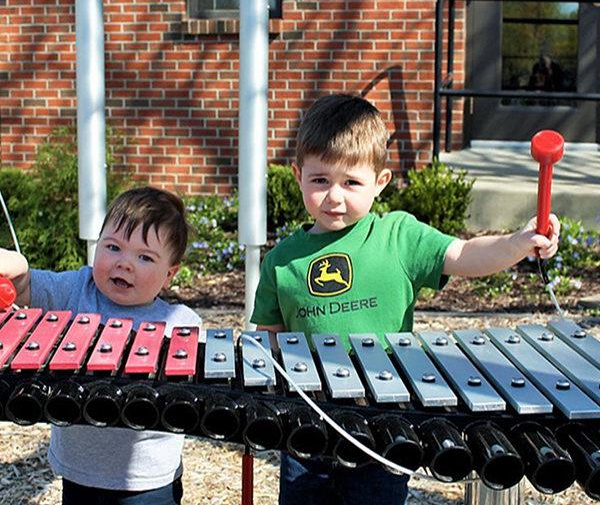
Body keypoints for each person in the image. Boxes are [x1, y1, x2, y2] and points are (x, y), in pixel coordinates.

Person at [250, 94, 560, 505]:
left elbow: (465, 254)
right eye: (320, 180)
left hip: (384, 422)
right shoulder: (281, 261)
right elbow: (269, 342)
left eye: (351, 182)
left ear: (381, 182)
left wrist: (518, 243)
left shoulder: (399, 237)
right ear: (298, 175)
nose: (334, 197)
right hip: (308, 426)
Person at [0, 187, 202, 505]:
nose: (125, 263)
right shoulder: (76, 290)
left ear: (169, 274)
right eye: (113, 247)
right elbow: (27, 286)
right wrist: (18, 269)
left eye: (145, 257)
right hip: (79, 473)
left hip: (148, 481)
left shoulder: (181, 323)